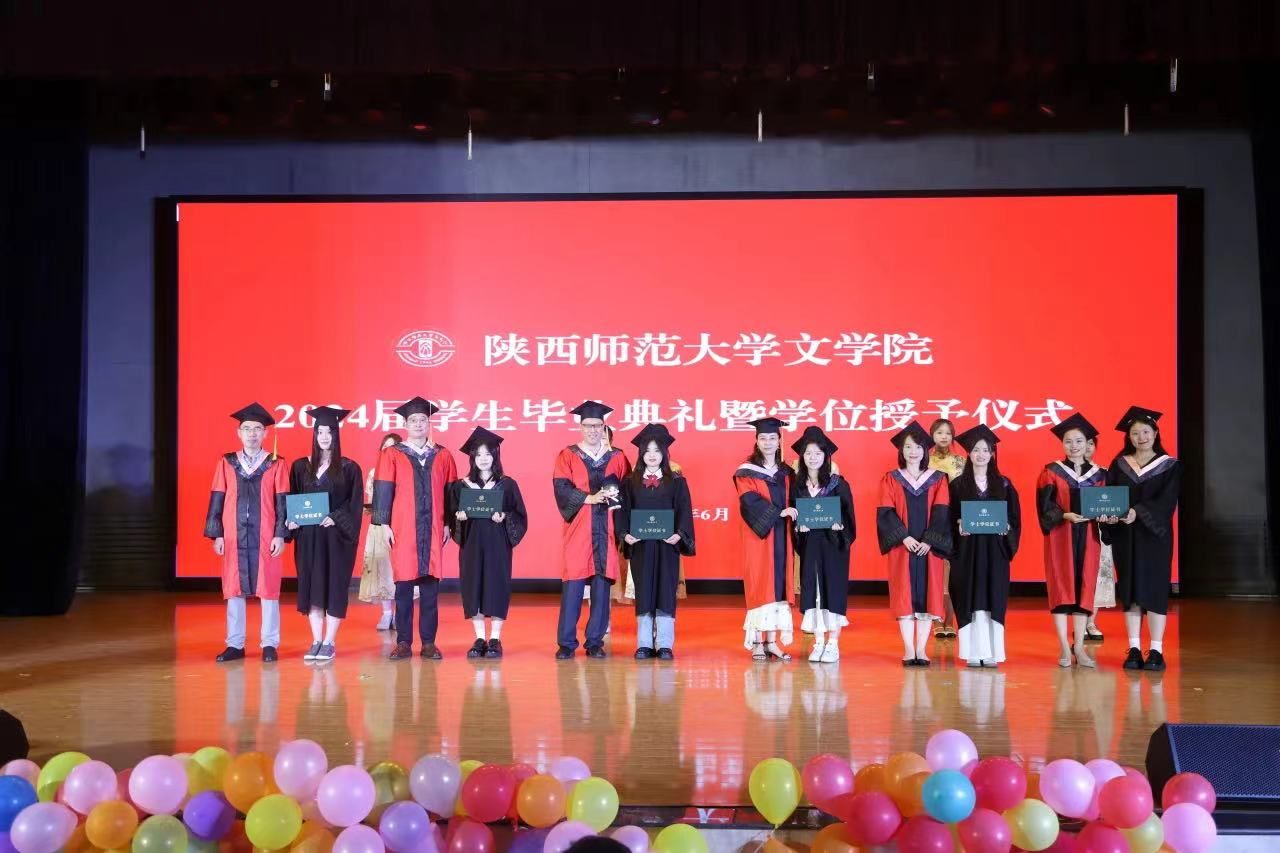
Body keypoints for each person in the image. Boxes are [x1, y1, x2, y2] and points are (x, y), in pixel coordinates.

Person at [370, 397, 458, 661]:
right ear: (406, 424)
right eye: (413, 420)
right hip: (403, 528)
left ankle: (429, 643)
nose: (418, 424)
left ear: (429, 423)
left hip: (433, 527)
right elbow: (383, 488)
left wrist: (448, 523)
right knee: (404, 587)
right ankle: (404, 642)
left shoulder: (443, 455)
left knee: (430, 588)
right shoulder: (392, 454)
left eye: (423, 420)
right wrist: (383, 524)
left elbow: (451, 492)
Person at [204, 402, 290, 663]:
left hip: (266, 534)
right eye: (247, 429)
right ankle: (235, 644)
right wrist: (217, 533)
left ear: (266, 433)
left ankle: (269, 644)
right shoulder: (227, 462)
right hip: (233, 533)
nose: (252, 433)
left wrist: (280, 534)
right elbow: (217, 497)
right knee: (234, 588)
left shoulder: (276, 463)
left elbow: (282, 502)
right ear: (238, 433)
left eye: (257, 429)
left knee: (268, 588)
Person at [1101, 406, 1181, 672]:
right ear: (1129, 437)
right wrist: (1108, 515)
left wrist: (1138, 512)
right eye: (1135, 433)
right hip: (1126, 536)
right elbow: (1109, 496)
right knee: (1130, 590)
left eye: (1146, 432)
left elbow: (1167, 501)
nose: (1141, 437)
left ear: (1156, 433)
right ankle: (1134, 648)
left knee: (1155, 590)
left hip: (1154, 536)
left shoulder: (1170, 466)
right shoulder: (1119, 464)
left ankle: (1156, 650)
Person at [552, 401, 632, 659]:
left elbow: (627, 491)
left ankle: (595, 642)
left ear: (604, 427)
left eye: (597, 426)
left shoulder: (617, 456)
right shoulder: (568, 455)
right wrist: (589, 498)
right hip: (579, 528)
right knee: (573, 585)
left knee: (601, 586)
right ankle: (566, 643)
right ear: (580, 427)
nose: (593, 430)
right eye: (588, 426)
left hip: (607, 528)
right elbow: (561, 488)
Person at [286, 407, 363, 662]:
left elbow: (354, 504)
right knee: (312, 586)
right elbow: (292, 498)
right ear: (315, 434)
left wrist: (336, 517)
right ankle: (316, 640)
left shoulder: (349, 468)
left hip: (335, 539)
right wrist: (291, 519)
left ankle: (329, 641)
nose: (324, 437)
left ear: (336, 435)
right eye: (320, 432)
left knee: (334, 586)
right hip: (309, 539)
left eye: (329, 432)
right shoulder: (301, 466)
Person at [447, 426, 529, 659]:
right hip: (472, 544)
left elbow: (520, 515)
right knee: (473, 586)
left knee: (497, 586)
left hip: (497, 544)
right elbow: (452, 516)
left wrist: (504, 517)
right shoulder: (461, 486)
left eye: (488, 454)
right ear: (472, 458)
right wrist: (459, 517)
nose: (483, 459)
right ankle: (479, 638)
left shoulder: (507, 484)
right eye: (478, 454)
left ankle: (495, 638)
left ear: (495, 456)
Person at [617, 423, 695, 660]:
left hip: (667, 545)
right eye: (647, 450)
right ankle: (643, 643)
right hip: (641, 545)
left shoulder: (677, 482)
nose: (652, 455)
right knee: (644, 591)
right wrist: (625, 534)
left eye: (657, 450)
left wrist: (680, 534)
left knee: (665, 591)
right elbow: (622, 511)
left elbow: (684, 510)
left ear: (665, 453)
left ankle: (664, 644)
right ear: (641, 453)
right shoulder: (630, 482)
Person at [877, 421, 952, 667]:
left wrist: (930, 540)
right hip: (903, 547)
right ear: (901, 450)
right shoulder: (891, 479)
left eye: (918, 447)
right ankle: (909, 649)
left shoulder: (938, 479)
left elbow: (942, 511)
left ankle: (922, 649)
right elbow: (886, 511)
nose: (913, 451)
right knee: (904, 595)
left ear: (925, 450)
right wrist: (904, 537)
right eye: (908, 447)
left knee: (929, 595)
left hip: (929, 548)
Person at [1036, 413, 1107, 668]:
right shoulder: (1051, 471)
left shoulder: (1100, 474)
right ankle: (1065, 648)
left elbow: (1107, 505)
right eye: (1068, 441)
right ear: (1062, 444)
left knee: (1083, 589)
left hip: (1089, 537)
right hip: (1061, 537)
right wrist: (1064, 515)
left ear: (1088, 443)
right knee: (1061, 588)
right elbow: (1045, 507)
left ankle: (1079, 647)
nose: (1074, 446)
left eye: (1079, 441)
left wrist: (1106, 515)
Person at [949, 425, 1020, 668]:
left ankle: (992, 653)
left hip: (994, 550)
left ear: (992, 453)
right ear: (968, 453)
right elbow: (949, 517)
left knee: (993, 595)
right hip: (967, 550)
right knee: (969, 594)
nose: (981, 454)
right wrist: (958, 525)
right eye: (976, 450)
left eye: (986, 450)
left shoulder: (1004, 485)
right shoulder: (958, 485)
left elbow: (1014, 518)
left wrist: (1007, 528)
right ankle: (972, 652)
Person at [788, 425, 855, 663]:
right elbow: (795, 517)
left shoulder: (839, 484)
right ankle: (818, 642)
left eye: (818, 453)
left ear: (826, 456)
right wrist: (798, 527)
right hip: (810, 548)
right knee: (813, 592)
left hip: (833, 547)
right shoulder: (797, 486)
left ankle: (833, 643)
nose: (813, 457)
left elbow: (849, 518)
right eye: (808, 453)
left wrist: (840, 526)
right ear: (802, 457)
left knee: (832, 592)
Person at [734, 417, 797, 661]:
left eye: (772, 438)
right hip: (758, 537)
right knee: (760, 584)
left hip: (783, 536)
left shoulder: (787, 472)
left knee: (778, 586)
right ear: (756, 441)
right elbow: (748, 501)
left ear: (779, 440)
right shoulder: (746, 472)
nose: (768, 442)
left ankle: (772, 642)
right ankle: (758, 643)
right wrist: (778, 513)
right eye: (763, 438)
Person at [358, 432, 402, 631]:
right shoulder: (374, 473)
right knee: (382, 569)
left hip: (400, 526)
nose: (388, 451)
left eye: (393, 447)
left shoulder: (405, 470)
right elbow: (373, 501)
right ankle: (386, 613)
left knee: (399, 571)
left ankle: (401, 613)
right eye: (385, 447)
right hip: (378, 526)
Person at [928, 418, 966, 639]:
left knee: (951, 571)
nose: (944, 436)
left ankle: (950, 620)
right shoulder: (924, 460)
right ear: (932, 435)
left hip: (954, 520)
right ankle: (935, 619)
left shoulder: (960, 462)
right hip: (932, 520)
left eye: (948, 433)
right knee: (934, 570)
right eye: (939, 432)